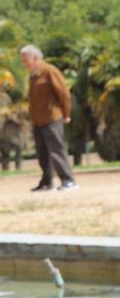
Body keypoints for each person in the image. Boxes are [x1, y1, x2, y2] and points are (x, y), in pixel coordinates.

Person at [20, 45, 77, 192]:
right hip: (38, 120)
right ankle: (47, 182)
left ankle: (68, 180)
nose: (24, 63)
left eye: (26, 59)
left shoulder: (49, 71)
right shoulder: (33, 75)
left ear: (36, 58)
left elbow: (64, 94)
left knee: (57, 150)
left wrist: (66, 114)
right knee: (42, 153)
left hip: (52, 118)